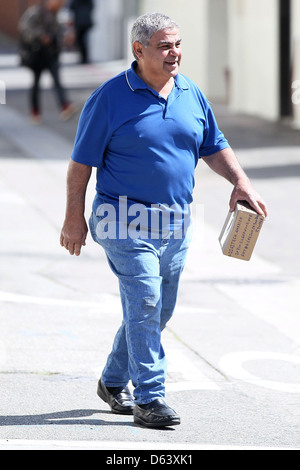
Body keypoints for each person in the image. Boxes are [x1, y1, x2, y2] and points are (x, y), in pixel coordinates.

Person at [60, 13, 267, 428]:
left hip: (175, 222)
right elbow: (80, 165)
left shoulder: (190, 92)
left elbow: (214, 144)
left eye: (177, 44)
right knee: (146, 299)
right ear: (139, 51)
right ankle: (149, 398)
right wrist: (73, 219)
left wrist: (240, 181)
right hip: (121, 217)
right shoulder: (110, 98)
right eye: (165, 46)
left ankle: (113, 379)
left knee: (157, 309)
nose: (175, 54)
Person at [19, 0, 77, 124]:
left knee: (57, 80)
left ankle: (65, 106)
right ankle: (35, 111)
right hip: (38, 54)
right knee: (36, 83)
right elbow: (24, 26)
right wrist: (41, 36)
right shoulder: (36, 12)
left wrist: (64, 39)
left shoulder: (55, 14)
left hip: (51, 54)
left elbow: (57, 33)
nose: (61, 5)